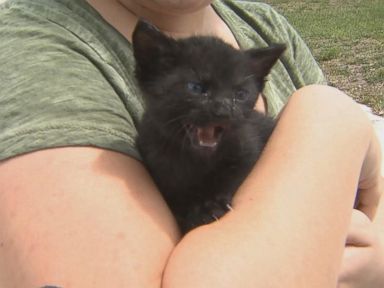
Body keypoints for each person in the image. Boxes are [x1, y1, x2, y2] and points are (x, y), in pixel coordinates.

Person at [0, 0, 382, 287]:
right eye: (199, 89)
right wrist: (330, 117)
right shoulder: (31, 49)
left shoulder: (257, 23)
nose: (221, 108)